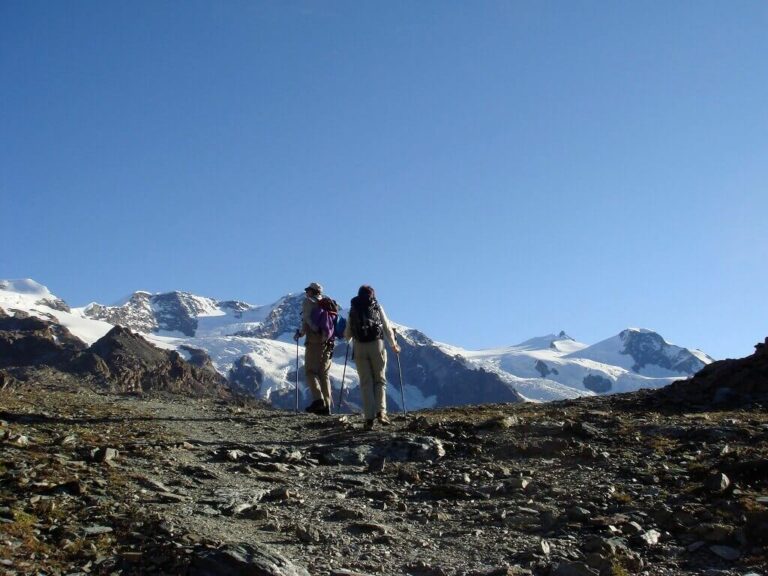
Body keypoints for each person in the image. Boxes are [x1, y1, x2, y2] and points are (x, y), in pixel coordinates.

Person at [344, 285, 400, 430]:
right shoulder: (376, 306)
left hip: (359, 347)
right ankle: (381, 413)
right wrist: (394, 345)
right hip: (377, 345)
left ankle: (368, 419)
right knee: (380, 380)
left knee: (365, 383)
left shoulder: (353, 308)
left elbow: (347, 334)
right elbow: (387, 327)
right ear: (372, 295)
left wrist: (349, 337)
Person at [294, 282, 333, 415]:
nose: (306, 292)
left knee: (310, 371)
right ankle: (327, 406)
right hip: (329, 341)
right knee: (324, 374)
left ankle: (318, 400)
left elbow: (306, 320)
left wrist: (301, 333)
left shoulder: (308, 302)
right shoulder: (328, 303)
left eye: (308, 290)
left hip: (314, 340)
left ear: (312, 291)